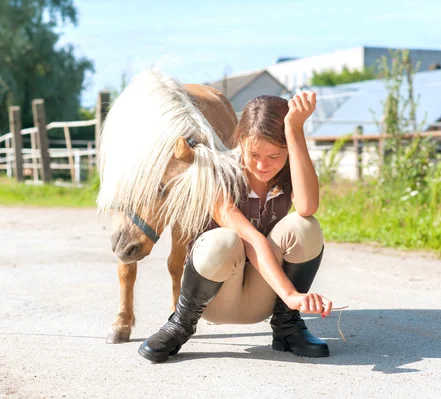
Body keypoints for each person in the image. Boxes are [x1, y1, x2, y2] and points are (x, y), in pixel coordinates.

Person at [138, 92, 332, 363]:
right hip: (215, 298)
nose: (263, 165)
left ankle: (287, 326)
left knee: (305, 226)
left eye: (275, 156)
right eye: (254, 154)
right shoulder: (217, 171)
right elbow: (251, 239)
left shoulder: (289, 174)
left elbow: (307, 206)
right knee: (224, 239)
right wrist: (291, 294)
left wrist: (295, 128)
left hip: (262, 296)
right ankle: (180, 324)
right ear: (240, 141)